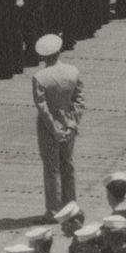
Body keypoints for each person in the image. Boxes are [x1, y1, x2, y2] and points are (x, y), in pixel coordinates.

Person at [32, 36, 83, 216]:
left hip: (49, 128)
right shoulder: (72, 71)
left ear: (43, 57)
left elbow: (43, 107)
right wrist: (72, 123)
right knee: (68, 165)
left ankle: (54, 209)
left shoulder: (39, 77)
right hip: (69, 122)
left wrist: (54, 129)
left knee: (51, 169)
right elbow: (79, 100)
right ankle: (71, 203)